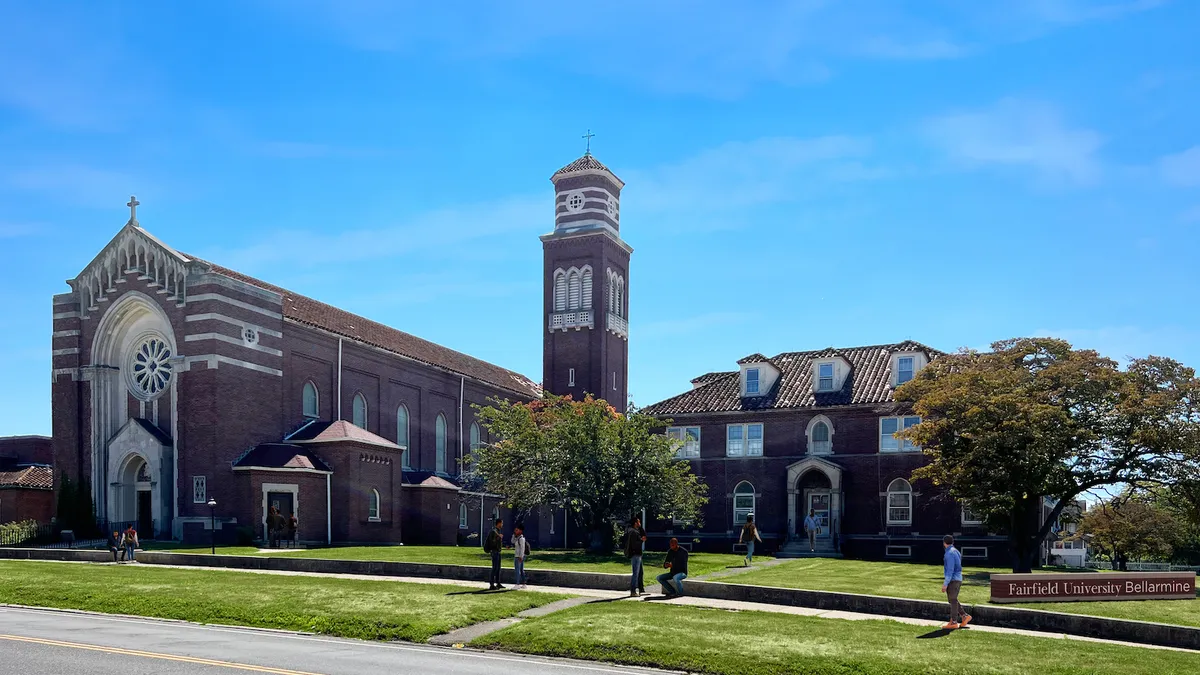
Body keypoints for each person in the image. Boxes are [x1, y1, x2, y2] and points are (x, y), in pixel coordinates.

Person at [941, 534, 972, 629]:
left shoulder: (949, 553)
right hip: (958, 578)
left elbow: (950, 570)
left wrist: (945, 584)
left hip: (953, 579)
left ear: (944, 543)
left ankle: (953, 621)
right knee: (953, 599)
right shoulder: (956, 551)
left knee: (953, 600)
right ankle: (964, 616)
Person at [624, 516, 647, 596]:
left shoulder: (636, 531)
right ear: (635, 523)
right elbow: (635, 544)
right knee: (636, 573)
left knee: (640, 572)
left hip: (638, 554)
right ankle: (633, 591)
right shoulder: (633, 532)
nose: (639, 523)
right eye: (638, 522)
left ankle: (641, 589)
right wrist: (641, 540)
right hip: (635, 554)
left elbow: (643, 533)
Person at [485, 517, 504, 590]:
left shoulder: (498, 531)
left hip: (498, 551)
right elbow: (492, 542)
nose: (502, 524)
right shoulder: (493, 531)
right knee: (495, 568)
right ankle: (492, 584)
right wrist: (498, 537)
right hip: (494, 551)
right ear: (499, 523)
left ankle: (498, 583)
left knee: (498, 568)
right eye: (501, 523)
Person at [511, 524, 528, 589]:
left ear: (520, 531)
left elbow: (522, 548)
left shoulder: (521, 539)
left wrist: (521, 556)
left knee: (518, 570)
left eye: (517, 530)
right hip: (518, 555)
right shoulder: (517, 538)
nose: (515, 531)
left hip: (519, 556)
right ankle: (524, 583)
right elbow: (512, 541)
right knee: (521, 570)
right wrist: (514, 535)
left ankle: (517, 584)